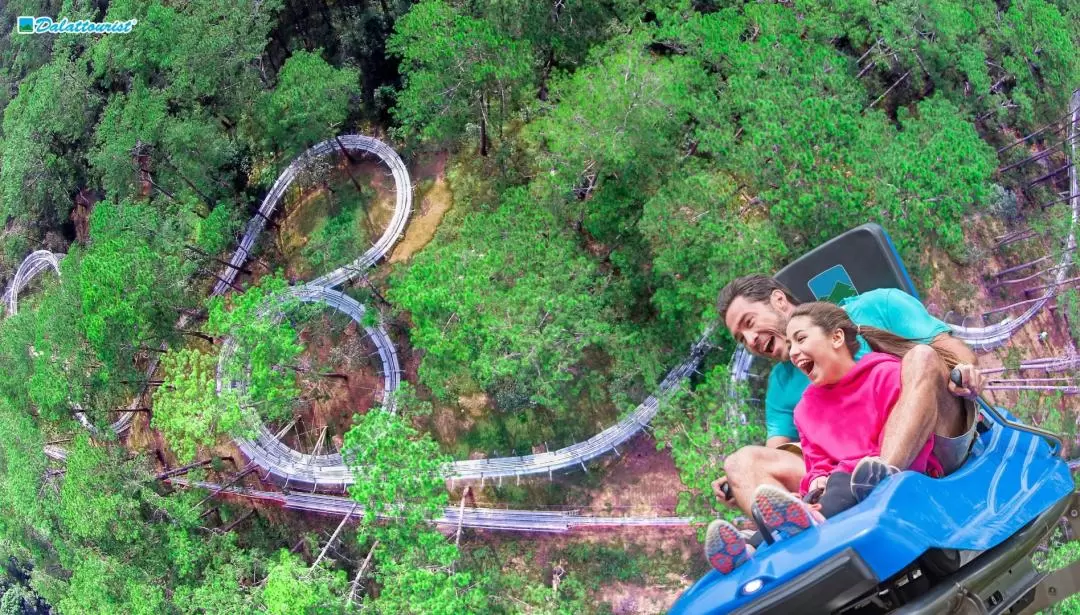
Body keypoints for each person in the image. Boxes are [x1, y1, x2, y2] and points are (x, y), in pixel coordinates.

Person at [706, 302, 960, 574]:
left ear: (836, 337)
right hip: (839, 491)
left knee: (841, 483)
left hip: (885, 477)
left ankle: (794, 527)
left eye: (801, 339)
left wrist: (854, 473)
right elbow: (816, 462)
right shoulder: (805, 410)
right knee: (824, 490)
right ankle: (752, 548)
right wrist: (816, 483)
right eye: (790, 344)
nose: (793, 352)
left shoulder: (884, 375)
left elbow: (910, 433)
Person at [710, 275, 983, 517]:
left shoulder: (878, 307)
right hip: (850, 469)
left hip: (930, 442)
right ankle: (779, 529)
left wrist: (964, 373)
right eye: (741, 339)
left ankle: (882, 478)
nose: (750, 340)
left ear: (779, 300)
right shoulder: (783, 388)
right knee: (741, 464)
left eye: (749, 323)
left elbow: (955, 354)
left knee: (922, 357)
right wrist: (745, 483)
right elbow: (782, 455)